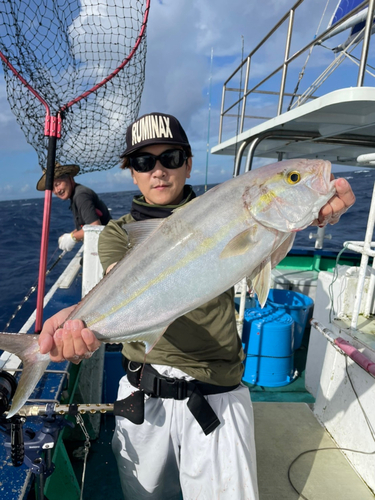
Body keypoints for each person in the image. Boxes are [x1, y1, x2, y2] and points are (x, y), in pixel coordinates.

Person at [38, 112, 356, 500]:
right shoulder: (119, 234)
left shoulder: (227, 208)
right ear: (132, 173)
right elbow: (124, 282)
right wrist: (77, 324)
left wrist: (313, 215)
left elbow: (262, 257)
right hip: (142, 393)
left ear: (188, 164)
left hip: (217, 393)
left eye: (170, 158)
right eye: (143, 161)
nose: (158, 171)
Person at [36, 162, 111, 251]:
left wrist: (73, 237)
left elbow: (95, 227)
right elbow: (86, 225)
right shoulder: (76, 195)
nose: (57, 191)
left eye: (58, 184)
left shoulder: (81, 195)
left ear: (70, 178)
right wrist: (71, 234)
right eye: (52, 188)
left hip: (108, 245)